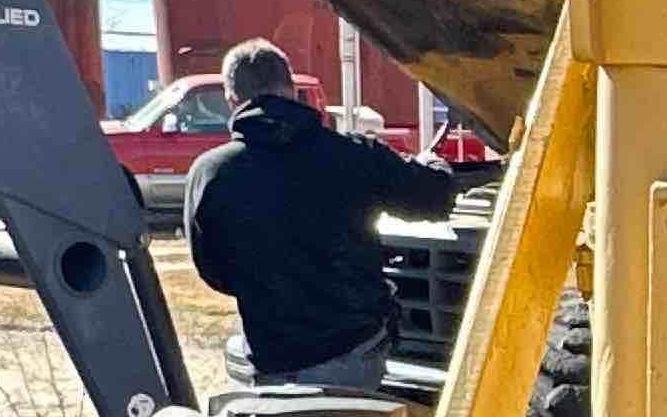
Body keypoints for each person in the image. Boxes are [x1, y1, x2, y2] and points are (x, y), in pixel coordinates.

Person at [181, 41, 464, 392]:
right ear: (292, 89)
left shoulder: (209, 172)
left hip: (269, 358)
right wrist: (433, 163)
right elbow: (434, 199)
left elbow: (215, 271)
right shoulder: (354, 154)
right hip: (353, 355)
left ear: (231, 99)